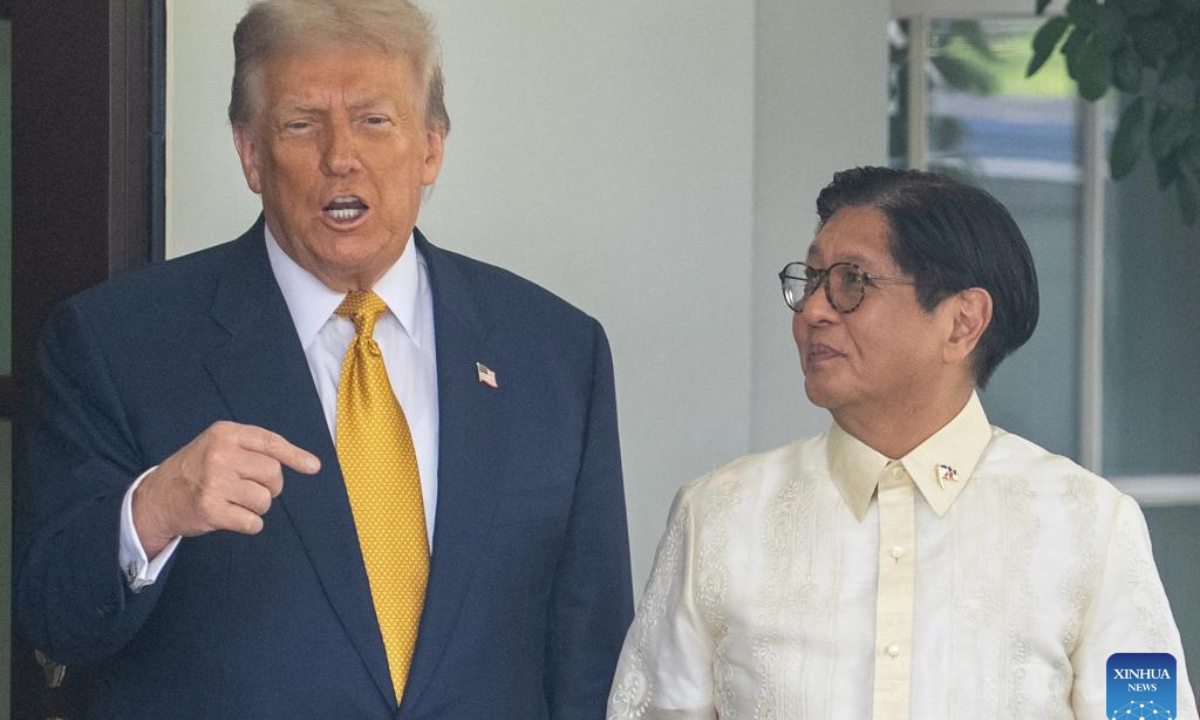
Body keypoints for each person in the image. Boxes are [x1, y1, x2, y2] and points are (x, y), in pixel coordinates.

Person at [14, 1, 632, 718]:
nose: (341, 156)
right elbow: (51, 619)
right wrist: (154, 510)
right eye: (302, 124)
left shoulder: (554, 351)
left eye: (374, 119)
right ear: (251, 153)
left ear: (431, 147)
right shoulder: (115, 342)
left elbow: (593, 656)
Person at [607, 166, 1197, 719]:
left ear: (963, 322)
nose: (813, 311)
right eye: (811, 280)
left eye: (852, 282)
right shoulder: (720, 515)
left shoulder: (1087, 524)